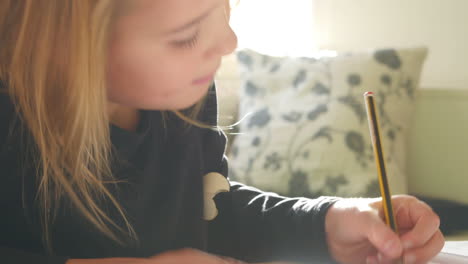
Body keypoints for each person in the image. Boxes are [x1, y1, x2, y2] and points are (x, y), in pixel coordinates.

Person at [0, 1, 444, 264]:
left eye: (225, 8)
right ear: (59, 43)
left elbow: (212, 207)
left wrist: (326, 222)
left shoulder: (184, 101)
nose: (229, 42)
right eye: (187, 35)